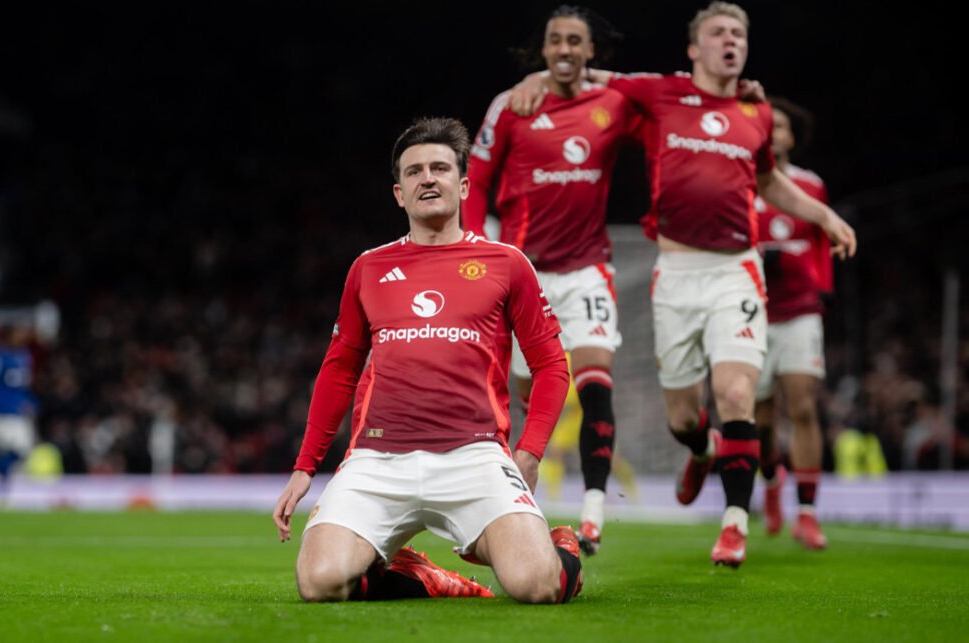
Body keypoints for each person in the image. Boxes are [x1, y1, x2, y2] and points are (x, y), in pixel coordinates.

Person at [511, 1, 856, 567]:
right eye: (719, 32)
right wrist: (533, 77)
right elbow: (580, 71)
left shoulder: (757, 111)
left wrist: (824, 217)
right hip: (674, 273)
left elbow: (768, 180)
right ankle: (704, 449)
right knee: (683, 420)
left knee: (738, 393)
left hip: (734, 270)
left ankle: (735, 524)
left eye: (739, 33)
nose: (731, 41)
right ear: (694, 49)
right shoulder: (660, 91)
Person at [272, 117, 583, 603]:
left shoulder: (507, 263)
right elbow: (340, 369)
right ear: (399, 193)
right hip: (378, 459)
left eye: (439, 168)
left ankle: (561, 548)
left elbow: (551, 365)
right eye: (414, 172)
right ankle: (423, 576)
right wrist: (305, 466)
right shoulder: (368, 268)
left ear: (462, 185)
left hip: (474, 454)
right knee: (319, 581)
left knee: (536, 586)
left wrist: (530, 450)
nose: (427, 178)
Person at [465, 5, 635, 556]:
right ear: (542, 49)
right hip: (525, 273)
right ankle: (515, 497)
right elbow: (478, 178)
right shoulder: (512, 105)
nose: (564, 49)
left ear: (591, 51)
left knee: (594, 377)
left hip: (588, 268)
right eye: (555, 41)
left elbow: (666, 96)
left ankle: (591, 511)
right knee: (525, 395)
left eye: (575, 42)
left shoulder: (612, 102)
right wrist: (475, 250)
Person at [753, 98, 832, 550]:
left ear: (791, 138)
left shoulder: (811, 186)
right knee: (762, 424)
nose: (774, 132)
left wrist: (814, 278)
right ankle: (770, 480)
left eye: (781, 126)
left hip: (800, 310)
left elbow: (820, 245)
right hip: (754, 313)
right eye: (768, 125)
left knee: (802, 407)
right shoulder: (744, 184)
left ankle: (808, 513)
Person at [0, 325, 40, 502]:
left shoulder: (25, 356)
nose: (21, 336)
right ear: (9, 336)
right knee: (4, 450)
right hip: (2, 412)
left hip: (19, 412)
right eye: (18, 333)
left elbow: (24, 386)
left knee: (23, 451)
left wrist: (31, 403)